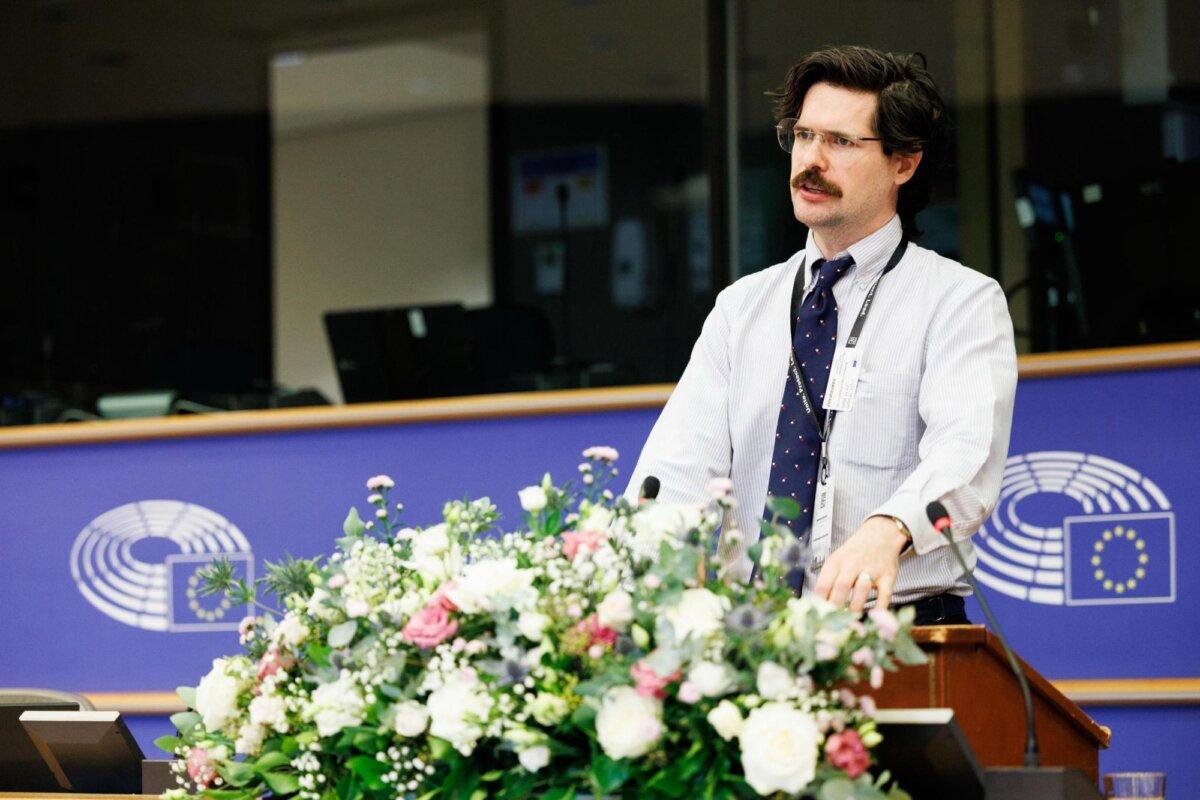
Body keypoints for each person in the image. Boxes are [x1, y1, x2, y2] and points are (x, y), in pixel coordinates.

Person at [626, 45, 1017, 625]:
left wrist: (890, 529)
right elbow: (676, 472)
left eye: (840, 142)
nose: (811, 160)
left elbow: (965, 451)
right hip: (754, 639)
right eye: (803, 135)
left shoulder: (958, 301)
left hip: (898, 630)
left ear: (903, 163)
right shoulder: (742, 308)